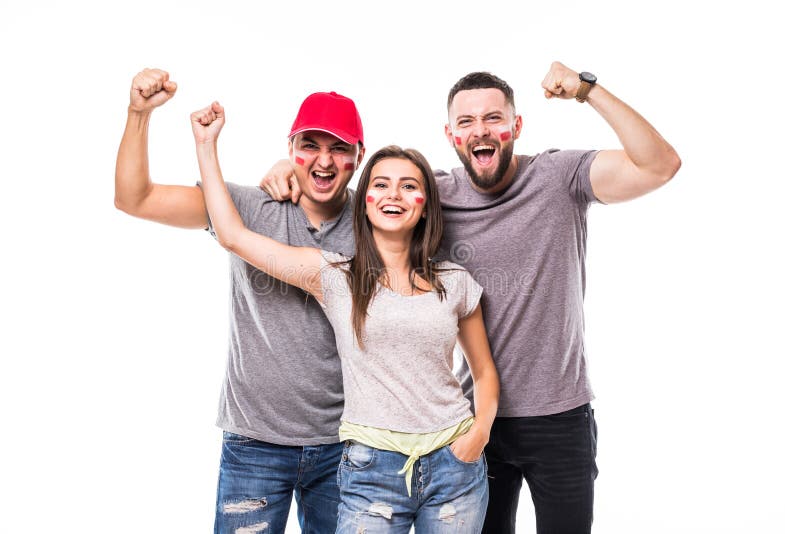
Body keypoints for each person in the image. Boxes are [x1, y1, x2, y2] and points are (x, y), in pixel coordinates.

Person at [260, 61, 681, 533]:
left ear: (516, 126)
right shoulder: (434, 194)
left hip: (560, 415)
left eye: (493, 118)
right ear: (451, 135)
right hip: (473, 424)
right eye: (466, 122)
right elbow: (367, 194)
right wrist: (287, 168)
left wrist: (587, 89)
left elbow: (660, 164)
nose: (480, 130)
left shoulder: (561, 177)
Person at [191, 98, 500, 533]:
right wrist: (207, 145)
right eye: (382, 185)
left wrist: (477, 437)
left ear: (427, 204)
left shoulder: (455, 280)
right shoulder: (334, 275)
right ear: (364, 200)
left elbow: (483, 371)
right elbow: (232, 235)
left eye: (410, 186)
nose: (394, 195)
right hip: (369, 466)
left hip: (454, 465)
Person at [115, 68, 366, 533]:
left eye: (339, 148)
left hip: (346, 445)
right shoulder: (249, 208)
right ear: (290, 149)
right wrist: (138, 115)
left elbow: (426, 193)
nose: (324, 160)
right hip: (255, 443)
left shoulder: (378, 222)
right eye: (310, 145)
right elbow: (136, 198)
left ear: (359, 156)